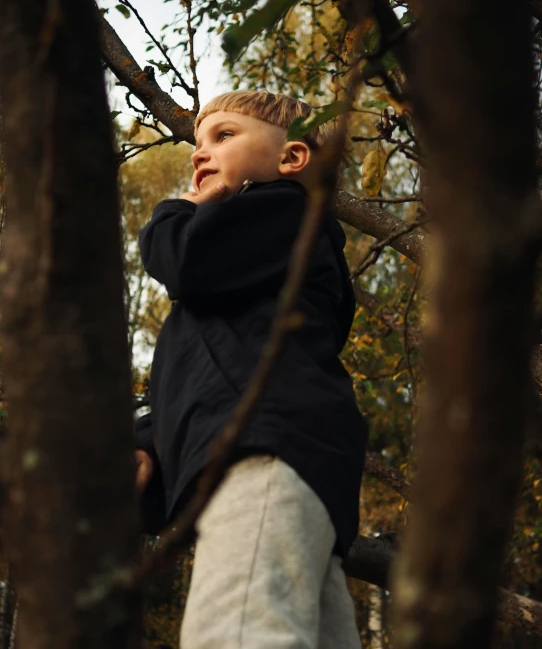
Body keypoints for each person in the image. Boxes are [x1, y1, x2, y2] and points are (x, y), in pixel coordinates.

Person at [135, 90, 368, 649]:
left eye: (224, 136)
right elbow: (211, 366)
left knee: (235, 634)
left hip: (262, 455)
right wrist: (148, 444)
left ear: (290, 160)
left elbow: (184, 261)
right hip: (288, 467)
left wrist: (180, 210)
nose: (200, 154)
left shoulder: (285, 211)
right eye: (197, 143)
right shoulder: (250, 275)